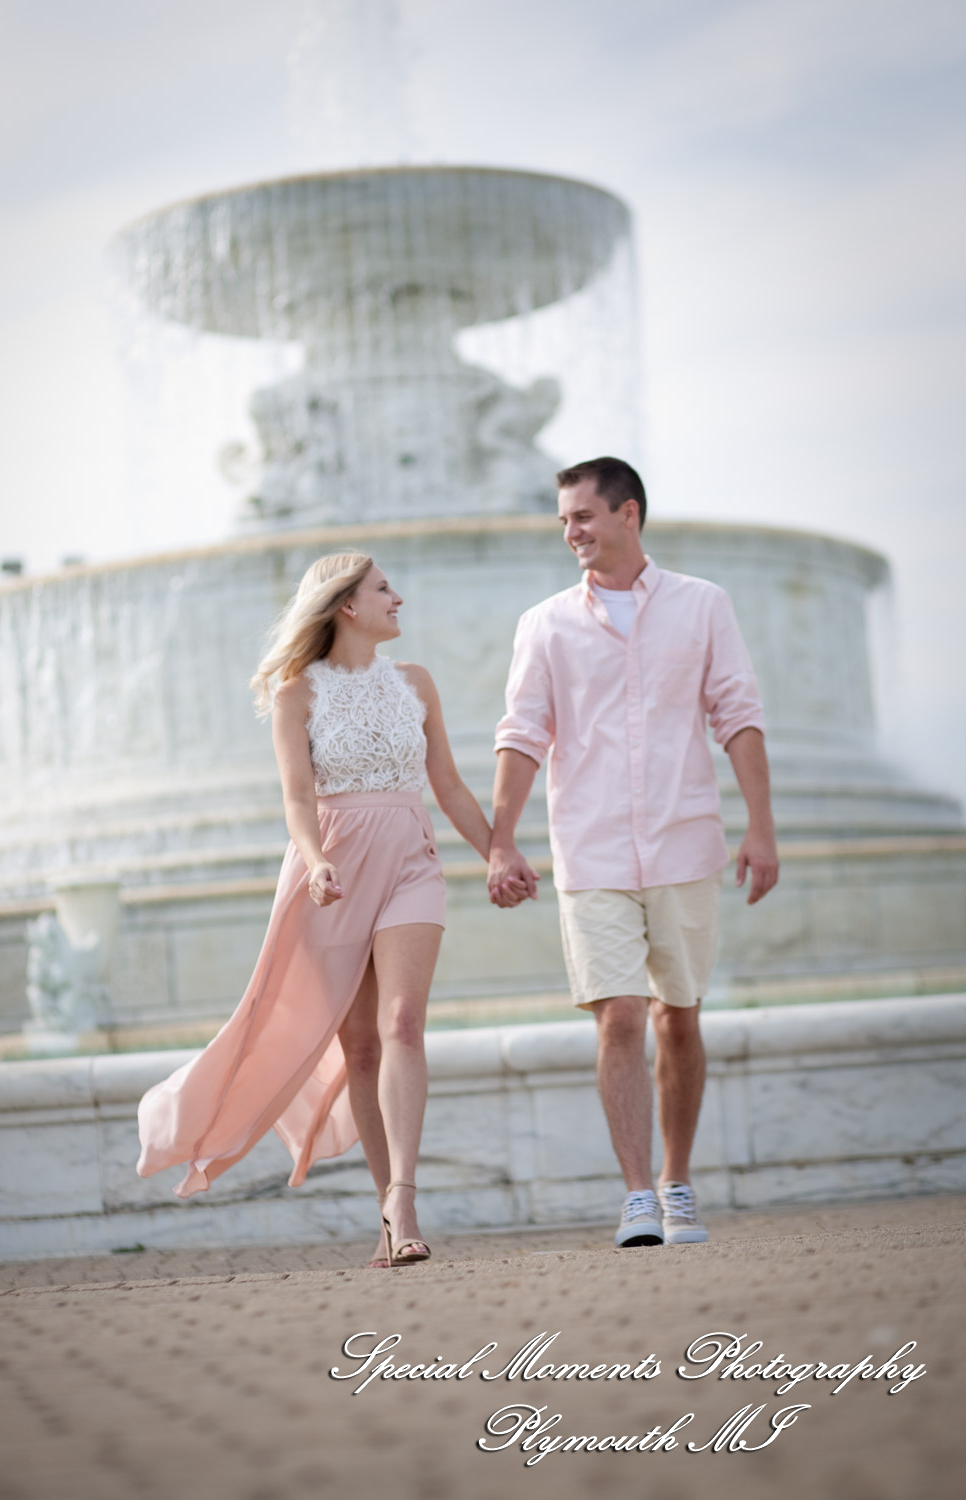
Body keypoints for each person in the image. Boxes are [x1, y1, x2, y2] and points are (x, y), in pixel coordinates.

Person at [136, 552, 501, 1267]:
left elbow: (450, 786)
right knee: (359, 1045)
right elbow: (297, 801)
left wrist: (499, 853)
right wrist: (315, 860)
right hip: (330, 868)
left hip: (408, 861)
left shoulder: (415, 683)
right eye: (383, 589)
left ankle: (402, 1196)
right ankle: (387, 1213)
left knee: (401, 1022)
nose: (399, 598)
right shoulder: (295, 695)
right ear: (346, 607)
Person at [487, 457, 779, 1248]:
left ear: (628, 514)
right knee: (618, 1017)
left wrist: (760, 828)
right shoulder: (543, 623)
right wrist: (500, 839)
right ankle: (634, 1198)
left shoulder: (702, 606)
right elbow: (521, 735)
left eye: (582, 516)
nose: (571, 533)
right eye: (563, 521)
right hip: (590, 851)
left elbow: (737, 716)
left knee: (677, 1019)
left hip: (685, 843)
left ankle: (675, 1182)